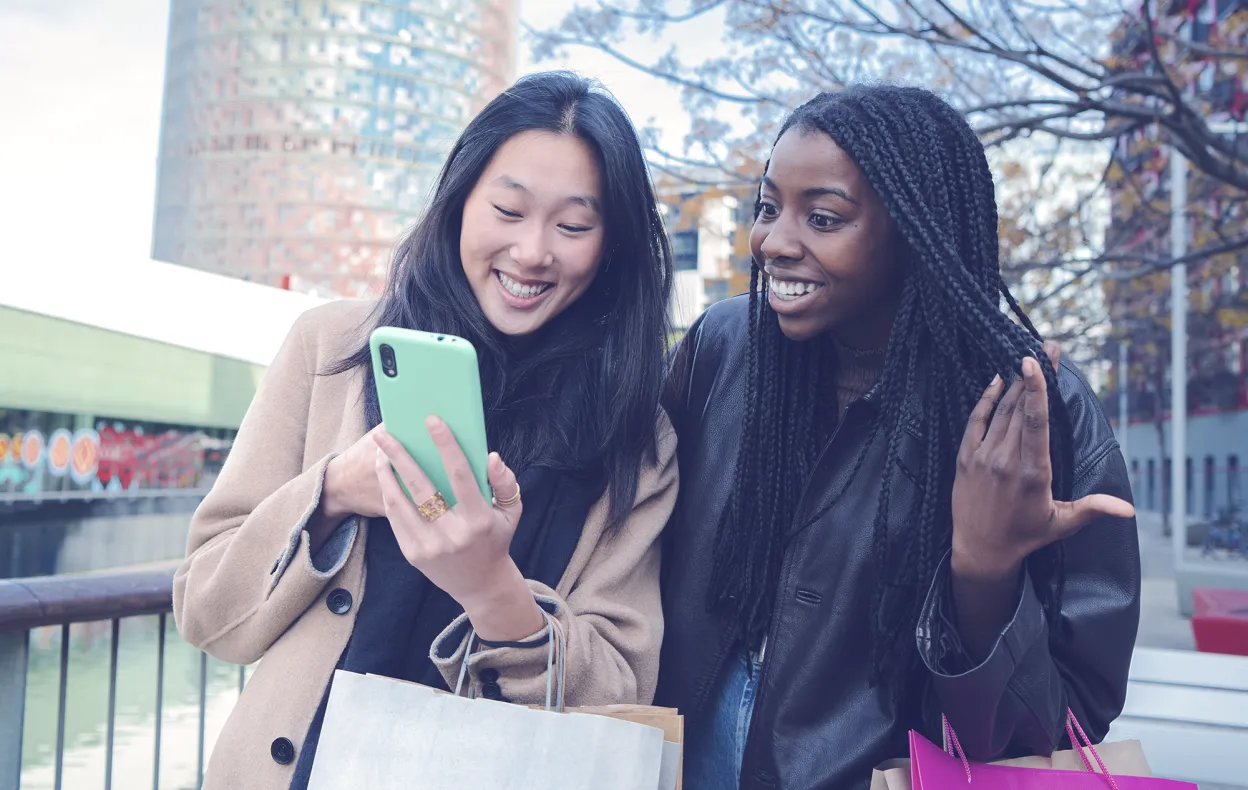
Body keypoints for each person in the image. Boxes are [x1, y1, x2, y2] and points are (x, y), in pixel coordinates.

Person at [173, 71, 678, 790]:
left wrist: (493, 590)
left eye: (573, 226)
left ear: (612, 246)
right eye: (508, 209)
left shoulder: (636, 433)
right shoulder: (331, 348)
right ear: (460, 202)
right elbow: (205, 611)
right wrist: (334, 492)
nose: (534, 251)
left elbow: (623, 691)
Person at [657, 84, 1140, 790]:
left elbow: (1046, 733)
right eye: (767, 208)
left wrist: (983, 569)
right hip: (679, 759)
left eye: (822, 217)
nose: (772, 242)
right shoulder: (723, 348)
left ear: (918, 231)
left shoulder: (1026, 407)